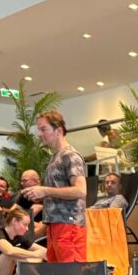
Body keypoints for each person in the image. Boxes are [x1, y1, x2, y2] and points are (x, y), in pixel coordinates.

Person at [25, 110, 87, 262]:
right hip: (55, 226)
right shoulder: (55, 157)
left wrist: (45, 190)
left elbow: (81, 190)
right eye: (39, 129)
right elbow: (57, 191)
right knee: (58, 274)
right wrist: (40, 193)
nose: (40, 134)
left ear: (58, 130)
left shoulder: (70, 155)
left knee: (72, 274)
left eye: (43, 129)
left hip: (69, 225)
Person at [0, 205, 48, 275]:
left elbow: (44, 251)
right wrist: (35, 254)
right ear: (15, 221)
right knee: (12, 254)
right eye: (25, 225)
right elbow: (9, 251)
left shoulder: (19, 238)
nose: (27, 229)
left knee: (38, 257)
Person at [12, 169, 45, 236]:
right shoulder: (24, 195)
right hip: (25, 228)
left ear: (36, 181)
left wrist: (22, 219)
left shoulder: (48, 197)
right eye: (21, 181)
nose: (21, 183)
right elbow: (11, 214)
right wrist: (29, 216)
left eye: (24, 181)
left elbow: (42, 229)